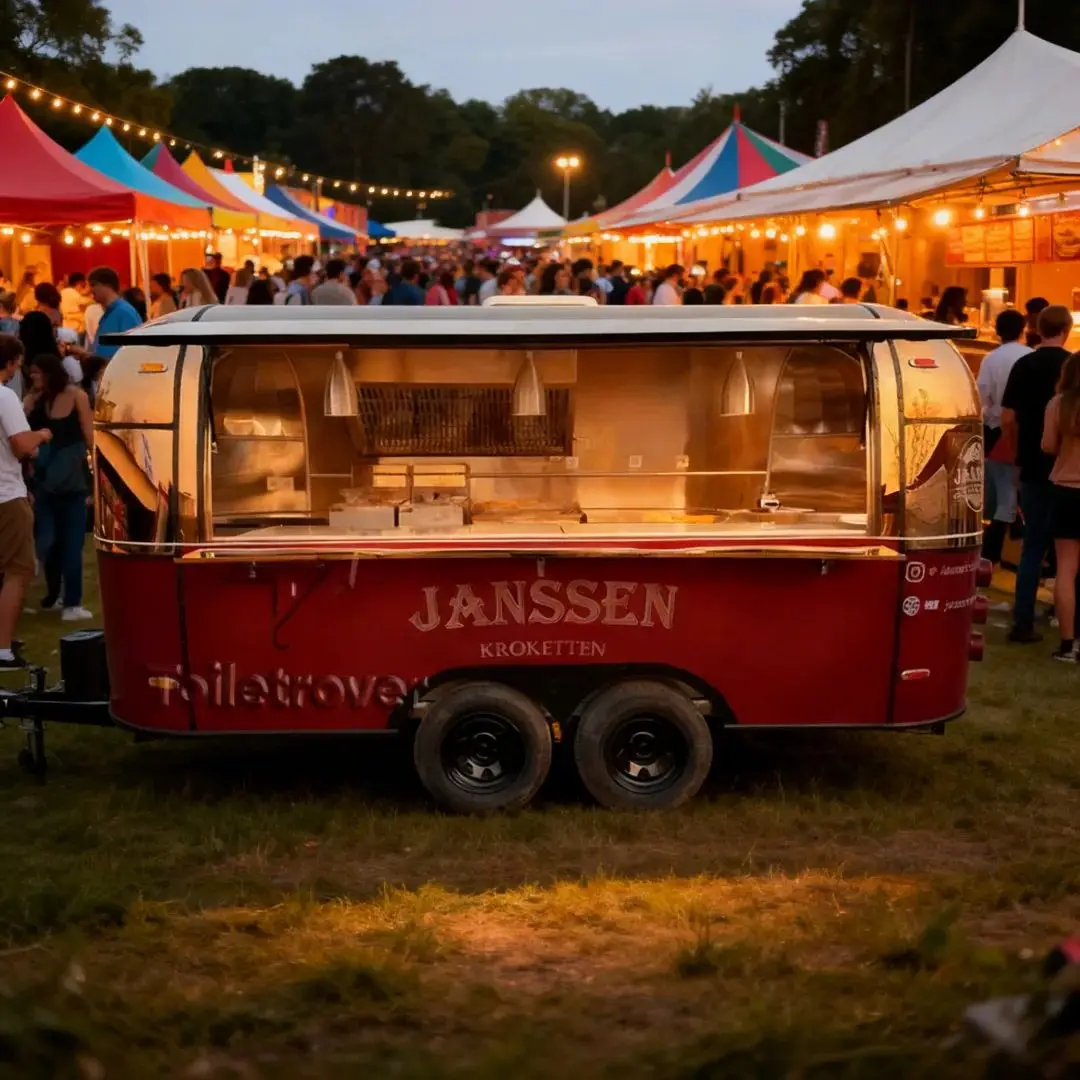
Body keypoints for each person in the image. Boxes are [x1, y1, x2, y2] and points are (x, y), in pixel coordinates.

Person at [1002, 305, 1075, 643]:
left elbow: (1007, 418)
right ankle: (1066, 618)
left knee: (1032, 547)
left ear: (1038, 327)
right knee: (1069, 552)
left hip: (1032, 467)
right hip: (1070, 472)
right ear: (1068, 328)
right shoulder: (1072, 366)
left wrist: (1017, 456)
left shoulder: (1023, 364)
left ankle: (1022, 620)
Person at [23, 352, 93, 622]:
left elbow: (89, 436)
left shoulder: (76, 396)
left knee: (71, 543)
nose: (33, 377)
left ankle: (71, 602)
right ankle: (54, 597)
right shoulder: (36, 400)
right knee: (49, 542)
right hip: (46, 481)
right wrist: (28, 401)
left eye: (38, 373)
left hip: (69, 481)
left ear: (51, 373)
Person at [0, 334, 52, 667]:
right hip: (5, 494)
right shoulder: (4, 396)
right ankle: (2, 648)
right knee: (19, 569)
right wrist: (43, 435)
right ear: (12, 362)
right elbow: (21, 444)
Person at [978, 309, 1030, 569]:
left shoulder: (990, 359)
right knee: (1013, 499)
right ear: (1023, 328)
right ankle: (996, 554)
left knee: (1002, 498)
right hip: (1027, 433)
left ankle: (992, 555)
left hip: (996, 430)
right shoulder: (1029, 356)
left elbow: (982, 397)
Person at [1041, 350, 1080, 661]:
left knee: (1066, 570)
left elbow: (1048, 445)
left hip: (1066, 489)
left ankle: (1068, 643)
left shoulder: (1058, 404)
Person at [85, 267, 142, 359]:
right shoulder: (110, 313)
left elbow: (133, 351)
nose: (89, 290)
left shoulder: (124, 312)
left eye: (93, 285)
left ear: (107, 285)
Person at [59, 273, 92, 338]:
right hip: (75, 328)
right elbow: (88, 301)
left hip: (65, 326)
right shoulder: (73, 293)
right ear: (79, 283)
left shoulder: (63, 292)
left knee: (66, 347)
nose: (84, 286)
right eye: (84, 284)